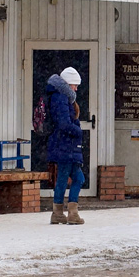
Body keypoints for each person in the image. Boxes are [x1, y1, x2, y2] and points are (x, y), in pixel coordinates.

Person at [46, 67, 85, 225]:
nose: (76, 88)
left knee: (63, 178)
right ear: (67, 84)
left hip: (63, 145)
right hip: (66, 145)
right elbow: (64, 123)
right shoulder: (61, 98)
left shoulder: (59, 97)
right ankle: (72, 213)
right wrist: (78, 131)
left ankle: (58, 213)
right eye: (74, 85)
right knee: (78, 178)